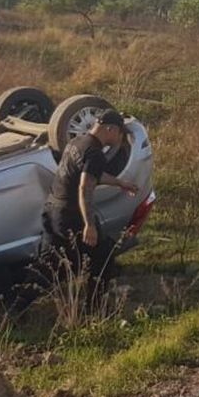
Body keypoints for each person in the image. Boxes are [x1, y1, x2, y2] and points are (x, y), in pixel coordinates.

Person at [37, 109, 138, 296]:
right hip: (70, 215)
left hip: (52, 210)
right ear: (110, 129)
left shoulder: (78, 142)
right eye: (120, 134)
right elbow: (85, 187)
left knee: (46, 267)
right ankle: (94, 309)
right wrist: (89, 225)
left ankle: (15, 310)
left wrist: (120, 183)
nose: (119, 140)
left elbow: (91, 174)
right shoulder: (95, 153)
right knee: (104, 256)